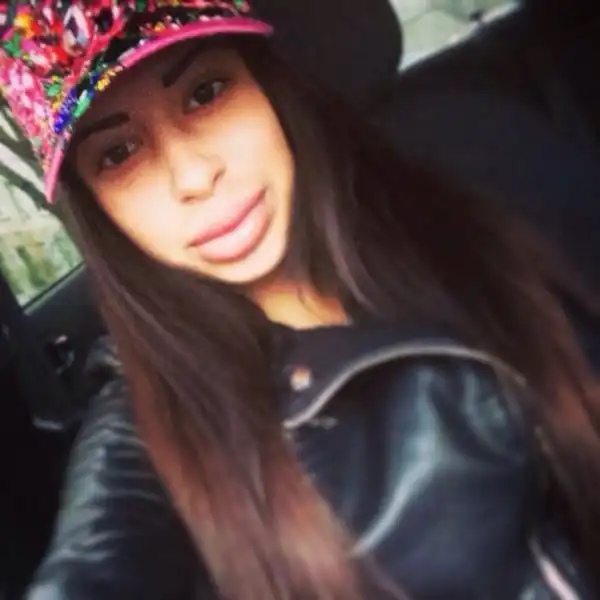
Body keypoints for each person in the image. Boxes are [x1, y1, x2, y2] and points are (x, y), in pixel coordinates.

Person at [1, 1, 599, 599]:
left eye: (206, 92)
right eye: (118, 154)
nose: (194, 176)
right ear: (101, 212)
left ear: (267, 86)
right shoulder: (149, 426)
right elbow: (94, 562)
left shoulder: (464, 175)